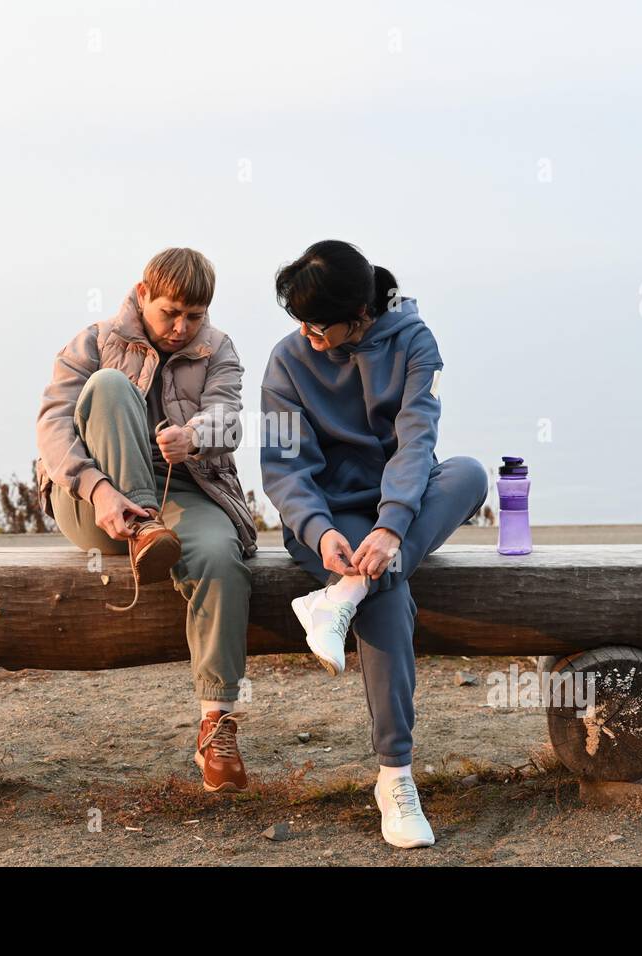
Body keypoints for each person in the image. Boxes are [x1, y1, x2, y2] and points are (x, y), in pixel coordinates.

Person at [260, 240, 488, 847]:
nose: (306, 333)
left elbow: (417, 441)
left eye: (318, 323)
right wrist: (323, 530)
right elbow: (284, 470)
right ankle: (395, 775)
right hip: (329, 523)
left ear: (359, 314)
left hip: (398, 511)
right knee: (389, 596)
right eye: (298, 321)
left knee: (467, 472)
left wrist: (390, 526)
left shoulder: (413, 341)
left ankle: (342, 596)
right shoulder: (287, 361)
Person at [35, 247, 258, 792]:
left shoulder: (220, 350)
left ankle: (216, 724)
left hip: (185, 490)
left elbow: (230, 422)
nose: (182, 328)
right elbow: (53, 428)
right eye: (170, 313)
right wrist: (101, 490)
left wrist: (196, 437)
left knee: (220, 557)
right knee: (110, 386)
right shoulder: (93, 342)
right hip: (93, 501)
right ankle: (140, 528)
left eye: (195, 316)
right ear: (142, 295)